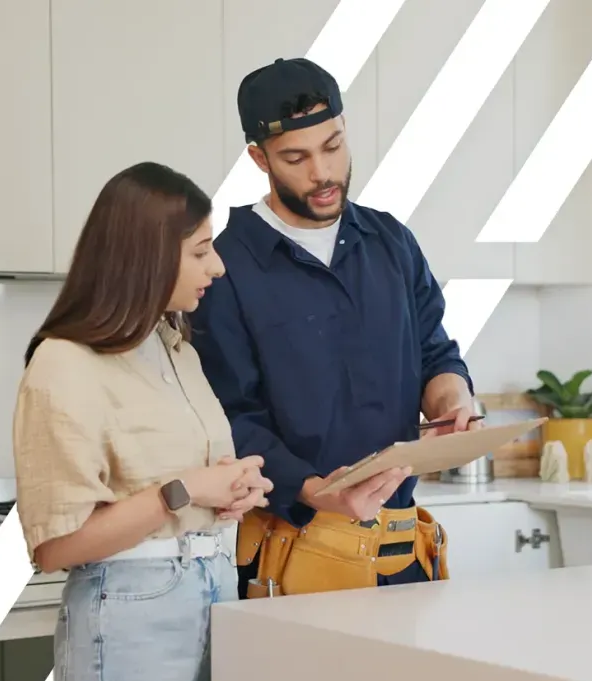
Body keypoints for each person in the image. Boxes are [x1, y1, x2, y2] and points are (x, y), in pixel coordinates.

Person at [12, 161, 273, 681]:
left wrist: (229, 491)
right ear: (146, 255)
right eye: (200, 251)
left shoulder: (175, 347)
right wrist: (182, 492)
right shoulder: (63, 362)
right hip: (132, 620)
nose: (215, 268)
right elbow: (56, 544)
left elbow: (191, 485)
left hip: (215, 598)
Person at [189, 57, 478, 599]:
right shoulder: (226, 265)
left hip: (402, 553)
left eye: (333, 146)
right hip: (292, 554)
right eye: (295, 157)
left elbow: (436, 355)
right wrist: (314, 490)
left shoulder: (392, 243)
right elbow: (230, 417)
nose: (322, 173)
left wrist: (451, 403)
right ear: (259, 158)